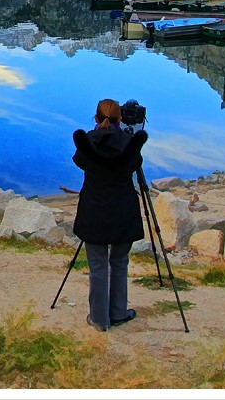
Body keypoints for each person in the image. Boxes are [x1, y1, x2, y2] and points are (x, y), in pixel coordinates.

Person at [71, 98, 146, 332]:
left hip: (94, 211)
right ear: (120, 118)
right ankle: (118, 312)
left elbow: (79, 161)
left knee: (98, 267)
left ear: (96, 118)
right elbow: (135, 163)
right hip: (123, 211)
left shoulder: (87, 143)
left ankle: (99, 318)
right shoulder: (130, 143)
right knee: (120, 263)